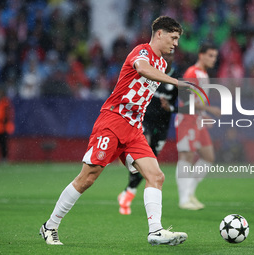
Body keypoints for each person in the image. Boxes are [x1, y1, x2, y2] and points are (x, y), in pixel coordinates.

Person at [39, 16, 189, 246]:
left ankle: (156, 231)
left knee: (156, 176)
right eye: (174, 37)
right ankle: (50, 226)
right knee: (87, 178)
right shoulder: (142, 52)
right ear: (159, 33)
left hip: (134, 128)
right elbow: (142, 69)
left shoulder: (162, 64)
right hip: (113, 121)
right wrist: (176, 82)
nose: (176, 44)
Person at [118, 50, 179, 215]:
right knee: (143, 156)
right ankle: (130, 176)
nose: (167, 60)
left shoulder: (176, 80)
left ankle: (129, 190)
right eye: (164, 57)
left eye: (170, 57)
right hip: (145, 122)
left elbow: (186, 106)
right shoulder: (149, 72)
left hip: (163, 126)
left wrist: (171, 108)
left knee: (151, 163)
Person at [175, 43, 220, 210]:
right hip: (187, 120)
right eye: (210, 55)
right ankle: (183, 199)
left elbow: (197, 101)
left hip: (197, 119)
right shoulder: (192, 73)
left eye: (215, 56)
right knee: (186, 156)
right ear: (201, 55)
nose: (213, 59)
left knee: (208, 157)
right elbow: (186, 100)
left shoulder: (203, 74)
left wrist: (203, 114)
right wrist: (210, 109)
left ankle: (190, 193)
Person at [0, 89, 15, 163]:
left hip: (4, 127)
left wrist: (5, 126)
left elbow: (8, 116)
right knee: (0, 143)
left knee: (3, 144)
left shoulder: (5, 103)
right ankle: (2, 158)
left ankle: (4, 158)